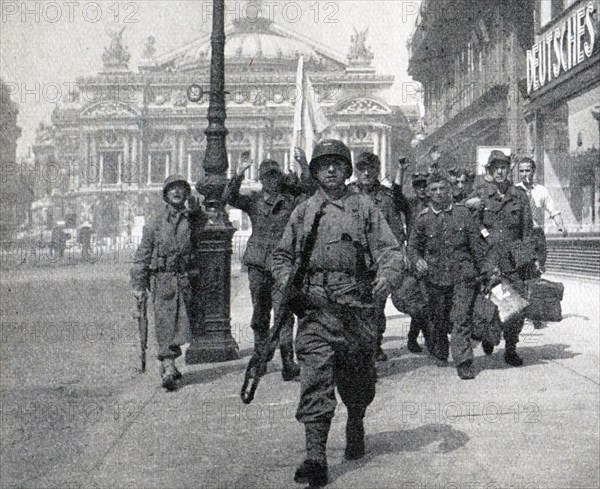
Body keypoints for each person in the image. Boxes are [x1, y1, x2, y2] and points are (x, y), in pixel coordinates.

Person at [272, 139, 404, 487]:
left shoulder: (364, 208)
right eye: (323, 165)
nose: (331, 170)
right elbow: (281, 256)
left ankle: (356, 419)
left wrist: (387, 277)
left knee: (358, 379)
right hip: (316, 308)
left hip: (357, 308)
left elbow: (391, 250)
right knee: (315, 377)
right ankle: (315, 455)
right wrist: (289, 284)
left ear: (347, 170)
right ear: (314, 171)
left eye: (338, 164)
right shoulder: (304, 211)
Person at [223, 154, 310, 381]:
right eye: (267, 176)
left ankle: (288, 361)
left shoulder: (290, 199)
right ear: (261, 179)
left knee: (284, 313)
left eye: (275, 175)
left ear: (281, 177)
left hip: (283, 264)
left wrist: (304, 168)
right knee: (260, 313)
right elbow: (228, 197)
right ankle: (260, 358)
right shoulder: (254, 200)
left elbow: (310, 193)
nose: (272, 180)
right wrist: (239, 172)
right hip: (259, 264)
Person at [407, 172, 488, 379]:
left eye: (442, 188)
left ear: (450, 190)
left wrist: (486, 271)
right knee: (439, 318)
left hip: (463, 275)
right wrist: (418, 260)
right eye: (433, 189)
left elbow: (476, 246)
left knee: (461, 318)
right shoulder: (423, 219)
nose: (438, 193)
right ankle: (439, 345)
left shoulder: (463, 214)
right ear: (427, 193)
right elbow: (413, 247)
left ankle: (463, 360)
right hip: (435, 277)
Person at [130, 175, 205, 391]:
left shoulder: (191, 219)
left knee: (182, 324)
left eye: (181, 189)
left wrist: (198, 213)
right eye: (172, 189)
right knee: (165, 324)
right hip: (162, 279)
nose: (177, 192)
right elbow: (143, 254)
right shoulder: (155, 222)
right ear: (165, 194)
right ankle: (169, 365)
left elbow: (202, 234)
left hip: (184, 280)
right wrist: (138, 285)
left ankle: (167, 362)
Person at [469, 150, 535, 366]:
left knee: (516, 307)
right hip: (489, 261)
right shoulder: (481, 195)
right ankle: (489, 334)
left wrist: (528, 260)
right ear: (489, 170)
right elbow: (474, 229)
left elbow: (527, 231)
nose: (500, 171)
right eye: (495, 167)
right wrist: (480, 260)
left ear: (509, 169)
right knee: (491, 303)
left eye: (504, 167)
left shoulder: (519, 196)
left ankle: (511, 348)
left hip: (513, 261)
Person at [348, 152, 406, 361]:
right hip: (352, 261)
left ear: (377, 170)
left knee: (377, 306)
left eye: (370, 168)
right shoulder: (345, 194)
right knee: (353, 306)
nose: (366, 173)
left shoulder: (386, 197)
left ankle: (374, 344)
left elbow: (395, 229)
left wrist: (396, 257)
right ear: (356, 170)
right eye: (361, 168)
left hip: (378, 261)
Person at [392, 160, 432, 353]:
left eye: (425, 185)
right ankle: (420, 338)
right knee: (419, 301)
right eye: (418, 186)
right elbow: (396, 195)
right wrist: (400, 171)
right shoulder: (411, 205)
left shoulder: (436, 204)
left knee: (430, 300)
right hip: (416, 256)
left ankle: (418, 338)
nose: (422, 189)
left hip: (434, 256)